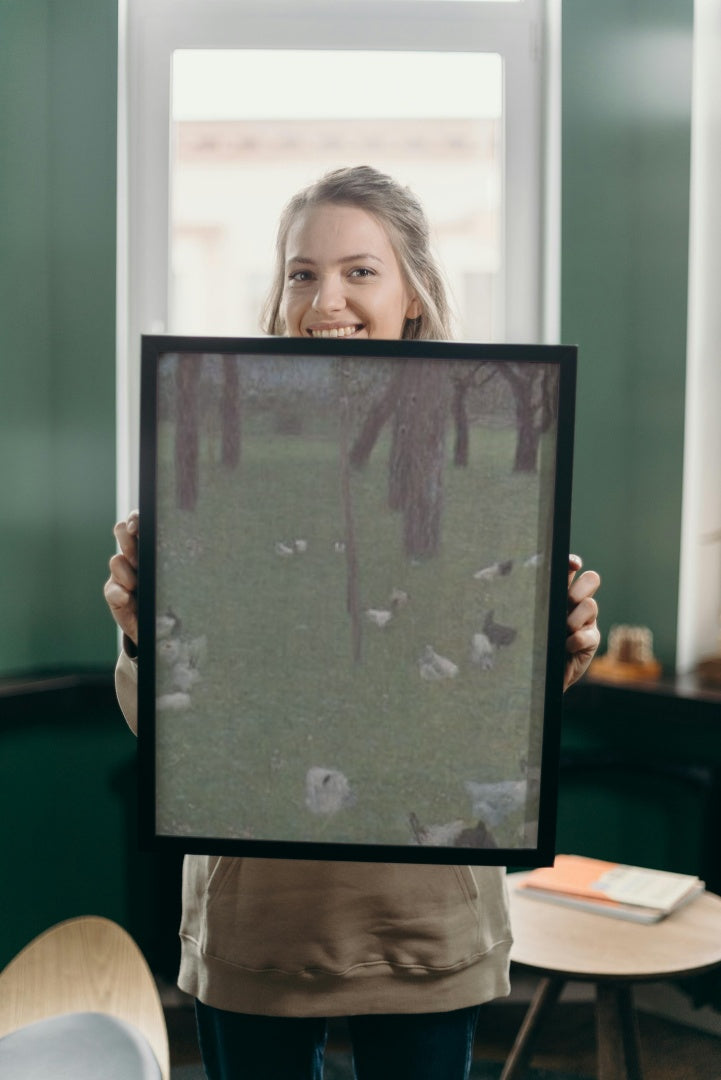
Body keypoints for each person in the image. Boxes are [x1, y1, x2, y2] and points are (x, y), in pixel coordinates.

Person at [105, 166, 601, 1080]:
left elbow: (487, 722)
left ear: (412, 292)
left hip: (423, 919)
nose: (324, 298)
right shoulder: (211, 473)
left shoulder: (489, 464)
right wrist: (143, 637)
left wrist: (555, 651)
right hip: (258, 921)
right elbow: (173, 729)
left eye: (359, 271)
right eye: (301, 272)